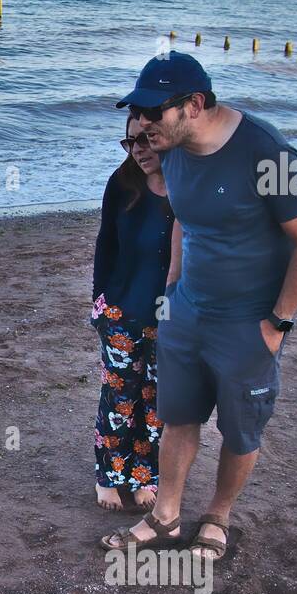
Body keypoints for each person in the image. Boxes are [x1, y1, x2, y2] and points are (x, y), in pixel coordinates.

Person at [105, 52, 297, 562]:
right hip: (186, 312)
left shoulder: (268, 153)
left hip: (248, 323)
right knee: (177, 417)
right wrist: (173, 287)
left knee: (240, 428)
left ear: (195, 105)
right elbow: (183, 218)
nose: (144, 125)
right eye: (138, 111)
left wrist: (278, 324)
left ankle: (218, 515)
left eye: (154, 113)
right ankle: (165, 517)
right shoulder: (174, 150)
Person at [92, 115, 174, 522]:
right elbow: (105, 243)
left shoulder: (187, 187)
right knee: (120, 397)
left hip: (172, 317)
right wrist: (99, 302)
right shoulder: (122, 184)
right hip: (122, 311)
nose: (138, 149)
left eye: (145, 140)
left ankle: (145, 476)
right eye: (129, 142)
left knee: (157, 400)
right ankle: (109, 473)